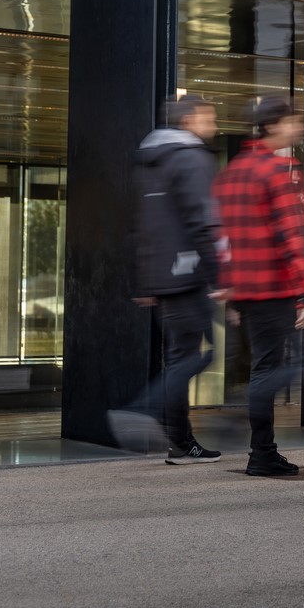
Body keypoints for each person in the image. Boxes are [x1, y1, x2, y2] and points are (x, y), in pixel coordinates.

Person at [109, 94, 224, 464]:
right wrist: (220, 275)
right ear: (188, 120)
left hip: (162, 277)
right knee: (211, 353)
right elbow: (202, 221)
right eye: (209, 118)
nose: (215, 125)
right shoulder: (192, 157)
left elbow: (137, 226)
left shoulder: (148, 160)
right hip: (189, 273)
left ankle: (181, 442)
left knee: (181, 358)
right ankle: (143, 408)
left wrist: (144, 282)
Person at [214, 96, 304, 477]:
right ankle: (254, 443)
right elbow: (294, 236)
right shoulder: (279, 170)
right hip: (276, 288)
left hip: (246, 290)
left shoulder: (233, 171)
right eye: (295, 121)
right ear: (273, 126)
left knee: (264, 368)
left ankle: (262, 452)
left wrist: (230, 291)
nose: (301, 127)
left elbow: (221, 237)